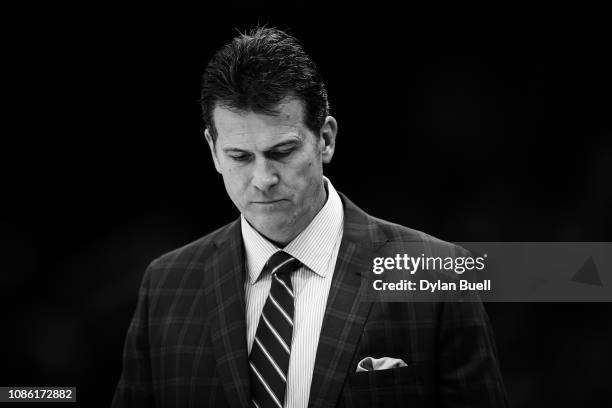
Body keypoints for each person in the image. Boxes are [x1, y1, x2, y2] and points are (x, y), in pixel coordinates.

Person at [112, 27, 508, 408]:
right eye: (240, 157)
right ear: (213, 151)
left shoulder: (435, 275)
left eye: (282, 151)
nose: (263, 179)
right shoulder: (165, 286)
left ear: (327, 139)